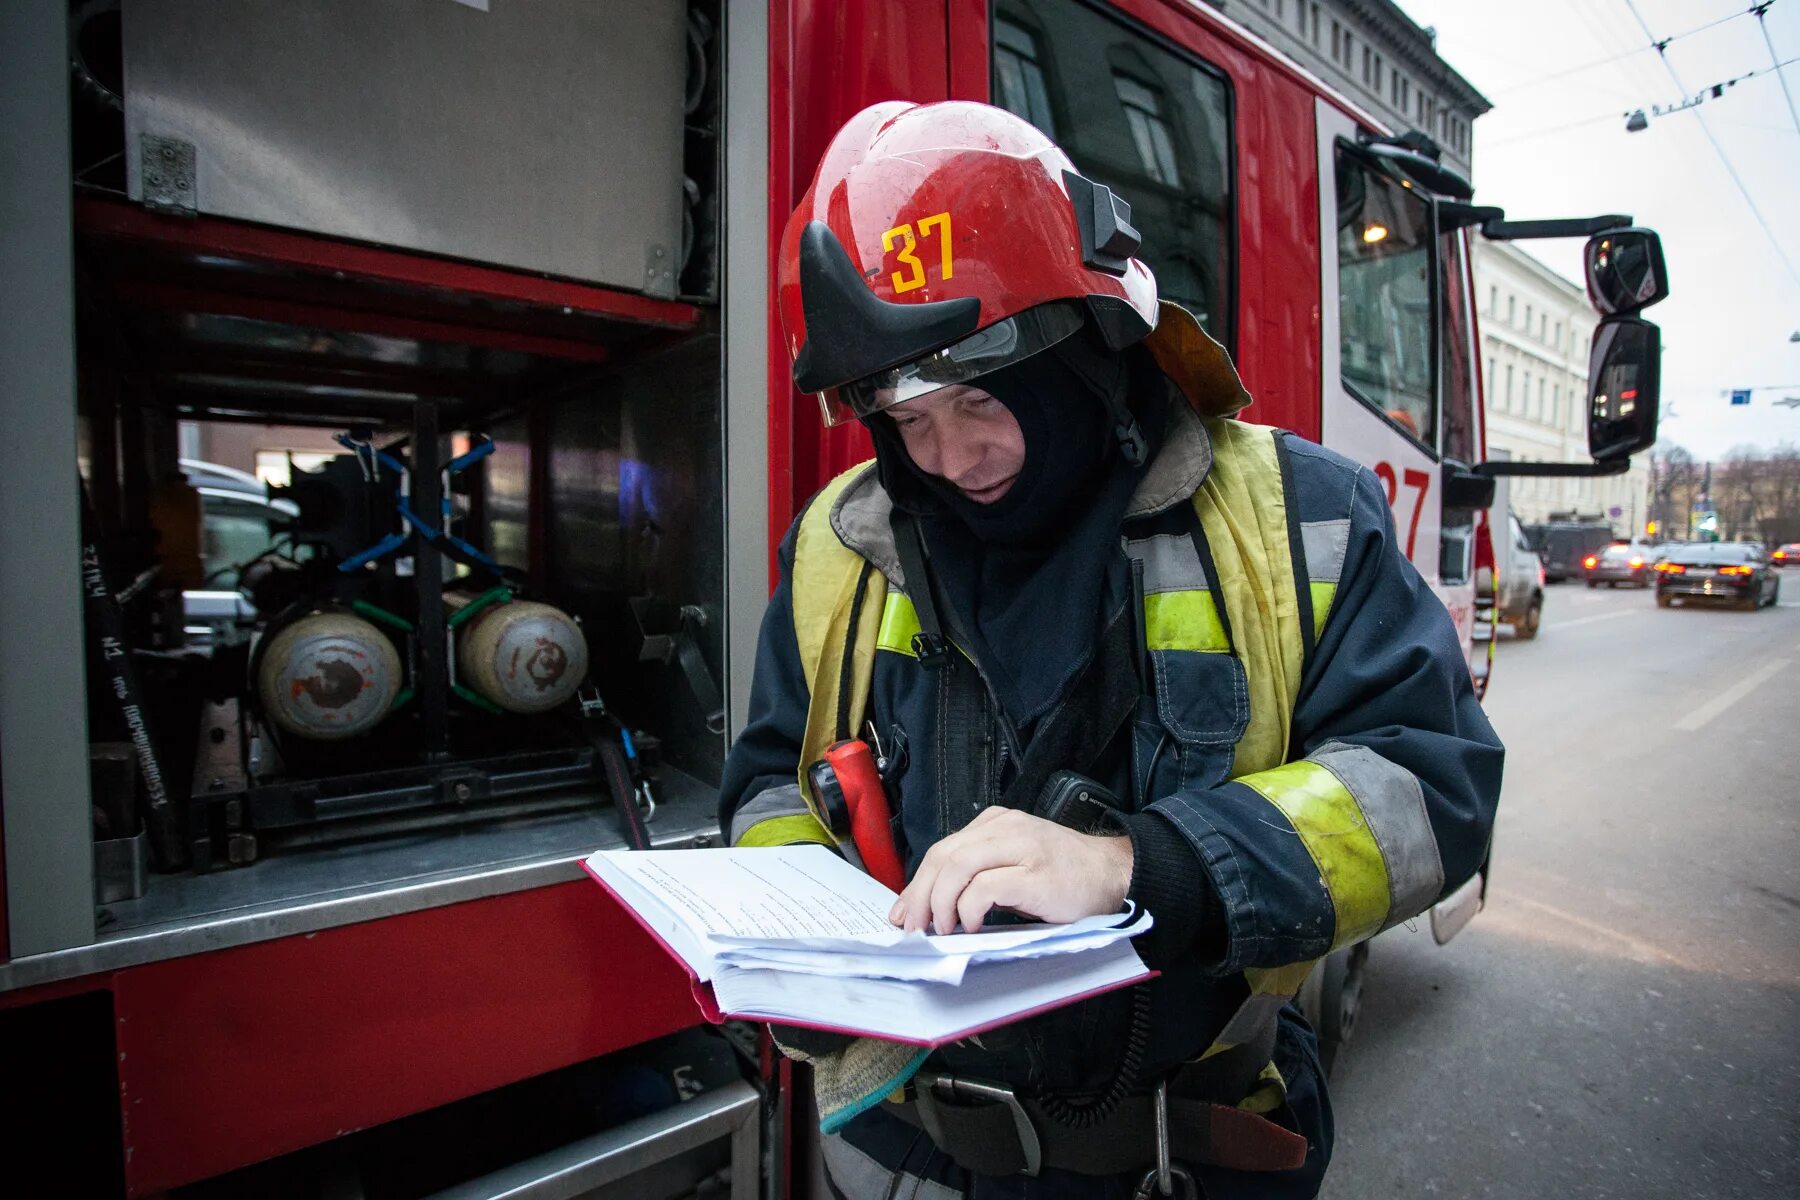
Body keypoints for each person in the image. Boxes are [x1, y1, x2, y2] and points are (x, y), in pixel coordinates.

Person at [720, 100, 1503, 1200]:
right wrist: (794, 929)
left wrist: (1143, 863)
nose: (949, 457)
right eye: (904, 419)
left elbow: (1433, 786)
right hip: (911, 1158)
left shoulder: (1298, 515)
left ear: (1078, 350)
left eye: (978, 400)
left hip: (1187, 1160)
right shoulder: (838, 548)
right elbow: (768, 784)